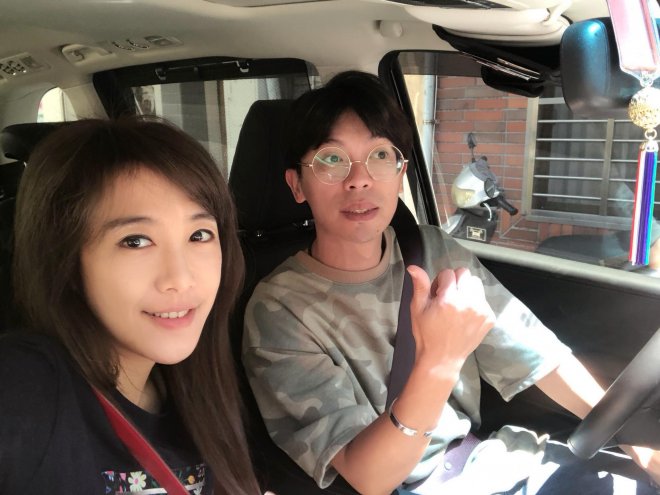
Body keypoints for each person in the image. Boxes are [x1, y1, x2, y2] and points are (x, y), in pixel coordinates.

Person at [242, 71, 660, 495]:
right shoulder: (279, 309)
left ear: (401, 174)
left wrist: (634, 443)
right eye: (331, 159)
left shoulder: (430, 248)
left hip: (491, 460)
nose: (360, 179)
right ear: (297, 185)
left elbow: (538, 356)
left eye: (381, 155)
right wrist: (438, 360)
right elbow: (370, 478)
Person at [0, 117, 261, 495]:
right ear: (67, 262)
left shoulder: (197, 392)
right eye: (136, 241)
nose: (180, 278)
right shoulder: (28, 383)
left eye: (199, 235)